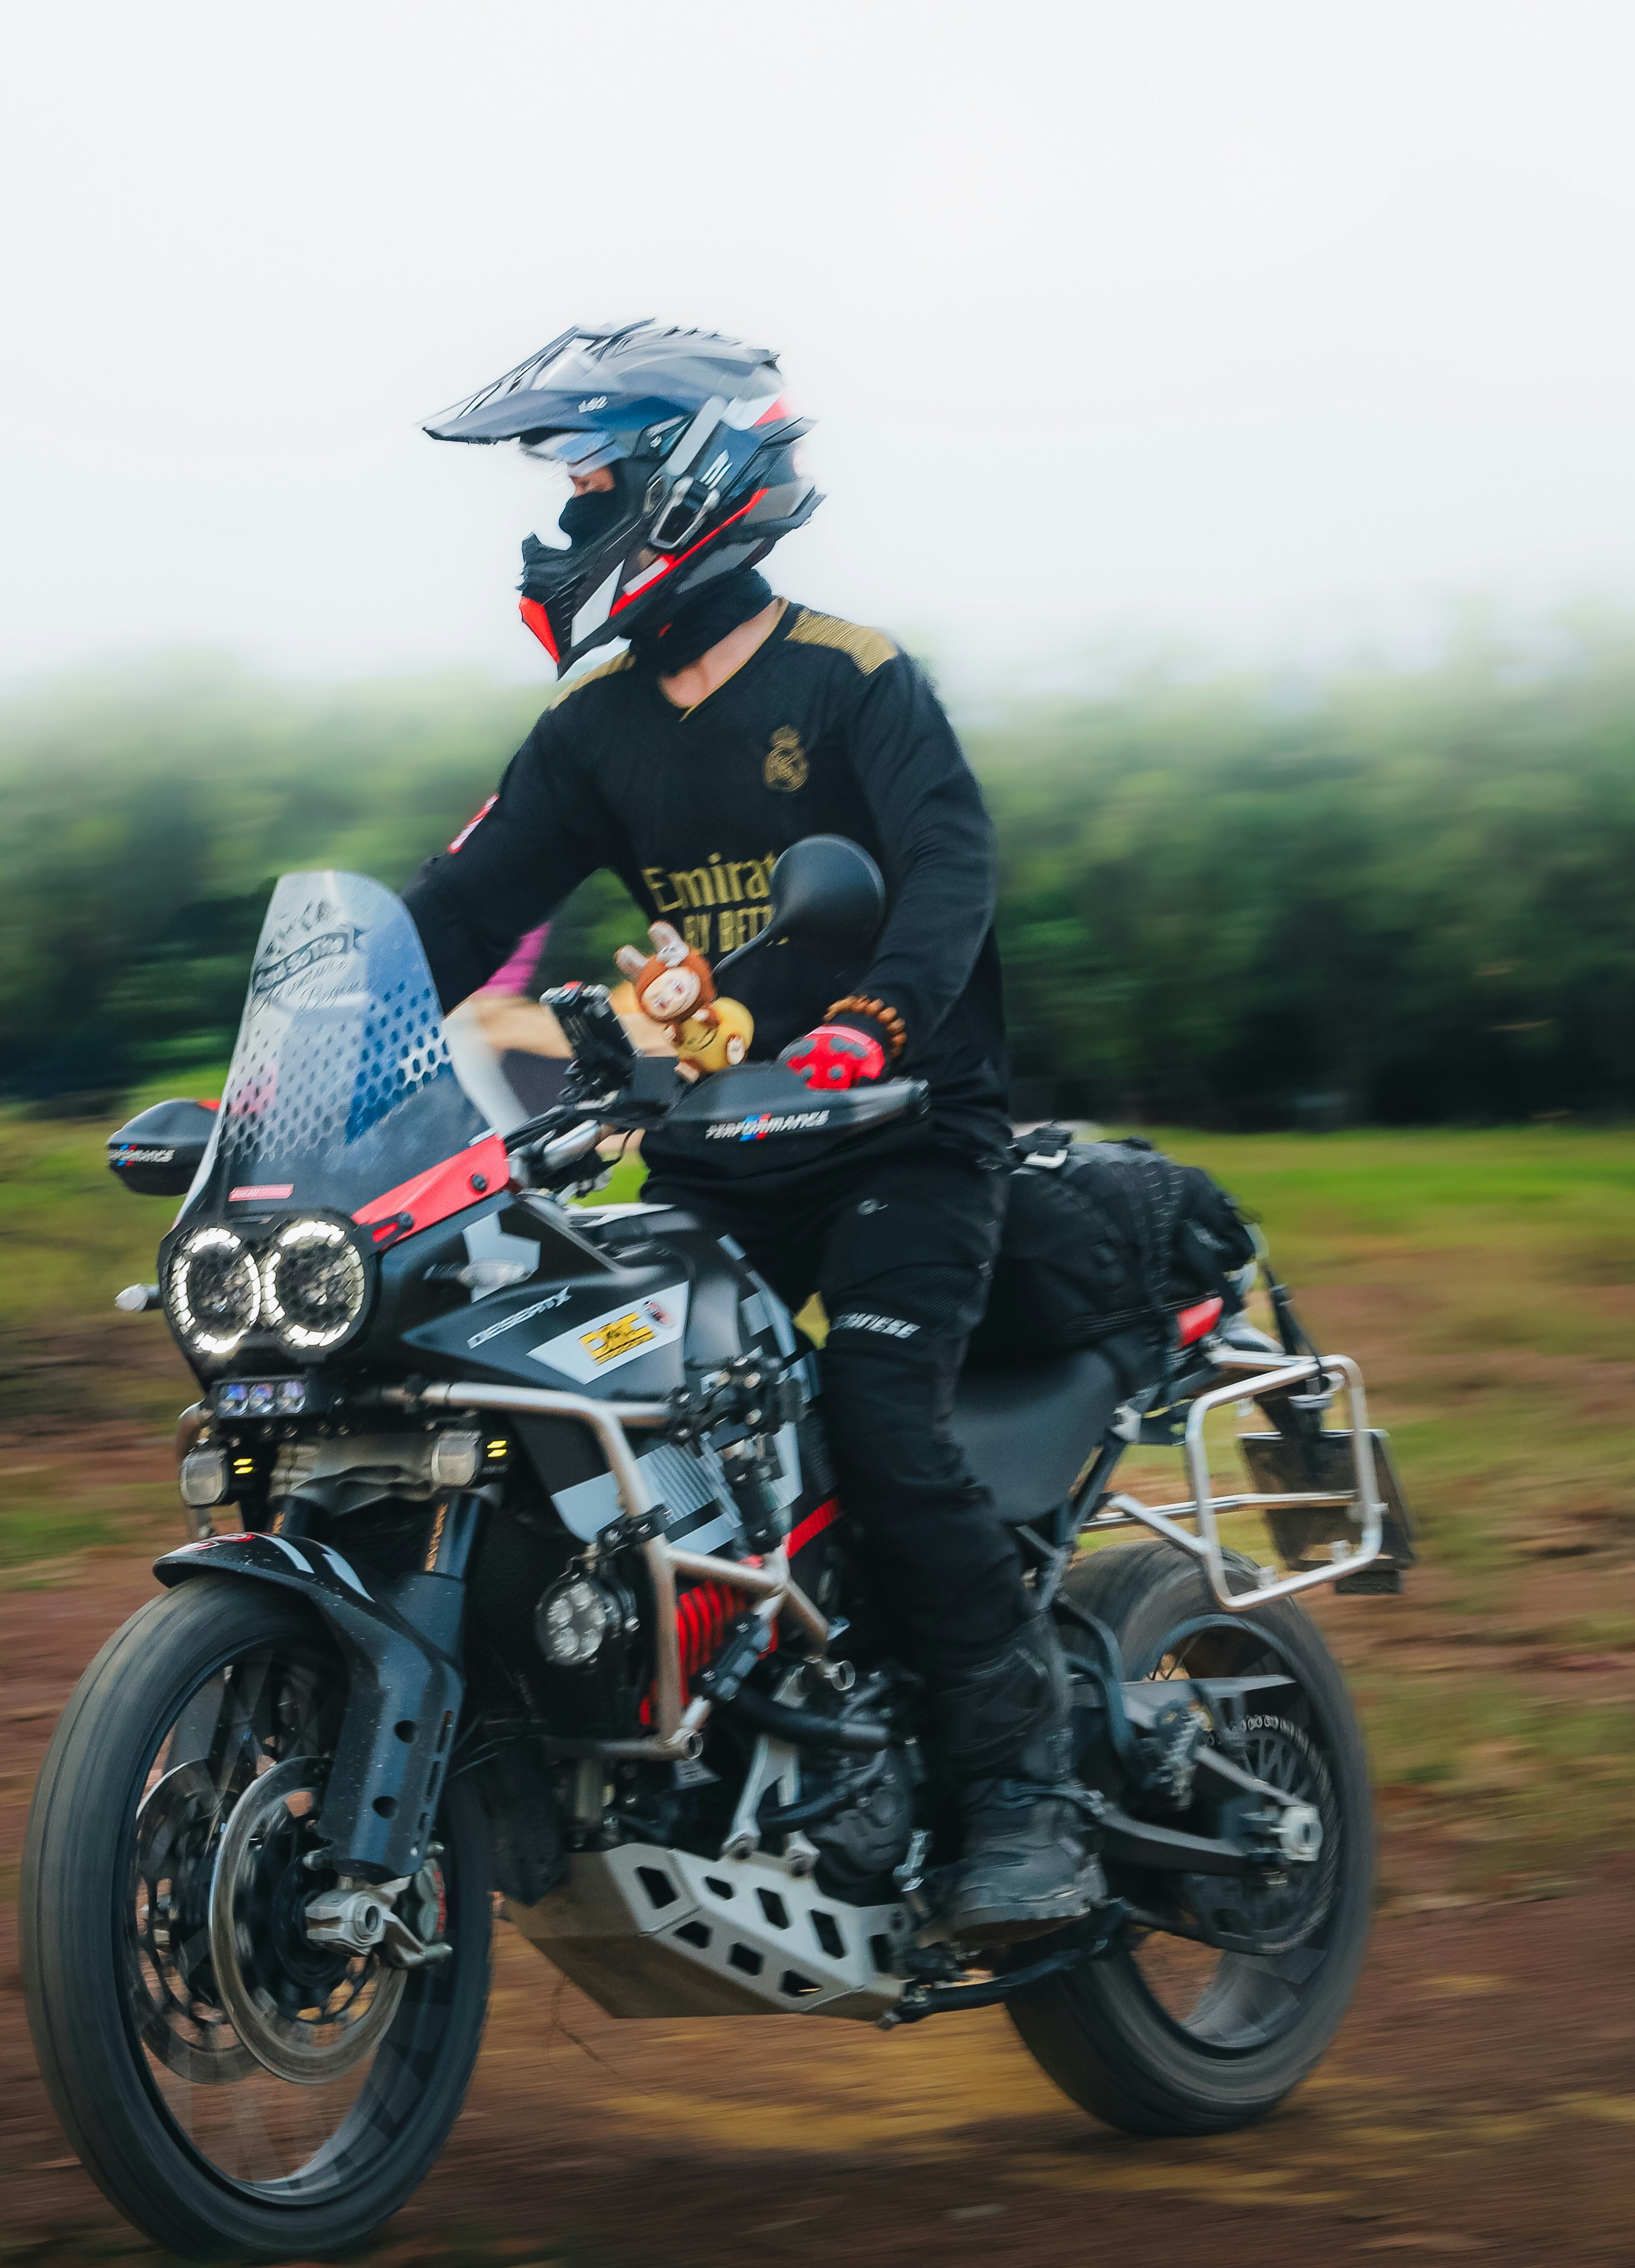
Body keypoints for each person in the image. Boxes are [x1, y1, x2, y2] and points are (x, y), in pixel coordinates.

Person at [404, 322, 1092, 1944]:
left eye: (587, 478)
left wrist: (876, 1025)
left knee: (876, 1411)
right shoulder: (594, 734)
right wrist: (283, 1064)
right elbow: (455, 913)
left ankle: (1024, 1794)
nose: (562, 516)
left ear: (686, 474)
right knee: (626, 1408)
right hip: (720, 1147)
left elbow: (946, 878)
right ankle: (759, 1735)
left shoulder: (853, 678)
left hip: (905, 1136)